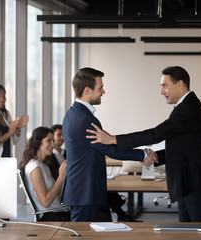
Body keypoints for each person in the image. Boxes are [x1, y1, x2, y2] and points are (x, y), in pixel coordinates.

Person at [86, 66, 201, 222]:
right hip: (188, 184)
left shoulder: (188, 109)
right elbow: (183, 147)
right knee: (187, 234)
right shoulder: (186, 107)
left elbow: (155, 134)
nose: (162, 92)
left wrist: (113, 139)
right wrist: (155, 156)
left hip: (196, 186)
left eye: (165, 86)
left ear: (180, 84)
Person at [62, 67, 156, 222]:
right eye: (100, 88)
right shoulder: (85, 119)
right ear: (87, 90)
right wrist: (143, 154)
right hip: (85, 191)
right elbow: (109, 149)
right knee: (83, 235)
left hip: (81, 189)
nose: (103, 92)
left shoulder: (73, 114)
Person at [18, 127, 71, 221]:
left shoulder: (44, 165)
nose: (52, 144)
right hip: (52, 216)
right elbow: (45, 202)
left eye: (53, 141)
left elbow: (58, 197)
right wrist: (61, 177)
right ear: (38, 142)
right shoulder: (34, 167)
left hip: (58, 211)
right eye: (49, 141)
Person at [0, 83, 28, 157]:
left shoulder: (6, 114)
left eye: (3, 96)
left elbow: (14, 141)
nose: (2, 99)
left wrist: (17, 129)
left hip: (7, 159)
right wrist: (9, 133)